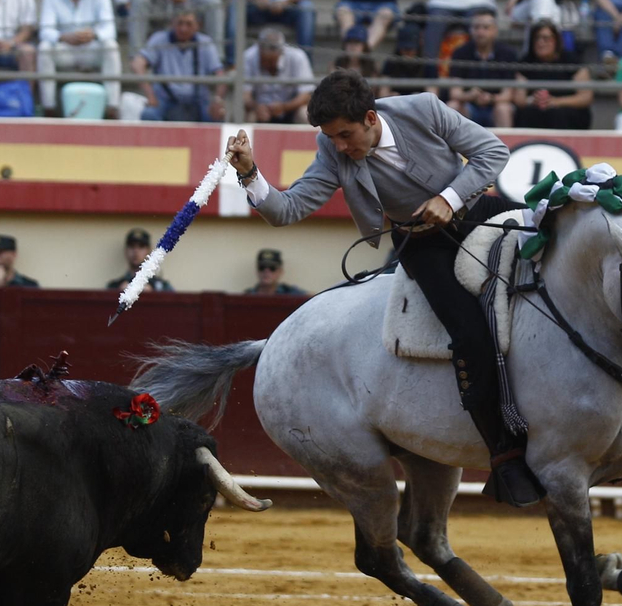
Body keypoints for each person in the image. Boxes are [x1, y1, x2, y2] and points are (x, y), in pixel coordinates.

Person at [224, 69, 540, 505]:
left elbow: (493, 151)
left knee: (552, 248)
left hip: (476, 214)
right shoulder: (331, 150)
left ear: (371, 118)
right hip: (423, 245)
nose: (339, 146)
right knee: (469, 334)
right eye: (331, 137)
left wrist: (448, 199)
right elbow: (287, 209)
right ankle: (506, 456)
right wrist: (249, 173)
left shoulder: (423, 109)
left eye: (345, 134)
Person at [39, 0, 121, 117]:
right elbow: (45, 31)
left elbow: (110, 29)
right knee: (44, 48)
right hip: (66, 50)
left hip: (91, 49)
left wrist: (93, 35)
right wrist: (64, 37)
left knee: (111, 46)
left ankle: (112, 106)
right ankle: (49, 107)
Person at [132, 7, 223, 122]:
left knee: (217, 116)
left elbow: (220, 73)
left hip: (198, 100)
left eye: (189, 24)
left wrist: (217, 100)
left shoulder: (206, 43)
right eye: (180, 23)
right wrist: (150, 95)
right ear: (172, 24)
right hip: (165, 100)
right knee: (149, 115)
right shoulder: (159, 39)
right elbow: (137, 64)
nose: (183, 29)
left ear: (197, 26)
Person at [511, 19, 591, 129]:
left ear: (556, 40)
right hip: (535, 109)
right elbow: (519, 99)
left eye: (546, 38)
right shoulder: (525, 63)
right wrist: (532, 100)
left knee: (558, 114)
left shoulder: (572, 62)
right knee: (526, 113)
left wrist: (556, 101)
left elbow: (585, 97)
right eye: (536, 38)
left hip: (566, 110)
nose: (541, 42)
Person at [447, 10, 517, 127]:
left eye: (485, 28)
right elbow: (454, 93)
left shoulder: (508, 54)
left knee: (503, 108)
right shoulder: (460, 53)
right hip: (469, 105)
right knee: (453, 106)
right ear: (471, 30)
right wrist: (470, 96)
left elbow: (508, 95)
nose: (480, 32)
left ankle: (504, 140)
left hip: (495, 106)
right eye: (476, 27)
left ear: (495, 30)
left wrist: (491, 98)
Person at [243, 26, 315, 123]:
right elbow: (244, 95)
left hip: (291, 109)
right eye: (264, 60)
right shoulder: (248, 56)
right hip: (259, 109)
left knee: (305, 114)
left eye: (272, 61)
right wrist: (256, 107)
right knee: (245, 115)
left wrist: (284, 107)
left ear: (281, 52)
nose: (268, 65)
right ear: (259, 51)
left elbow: (306, 94)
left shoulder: (297, 57)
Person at [106, 227, 173, 292]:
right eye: (132, 246)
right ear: (126, 250)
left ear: (149, 250)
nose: (136, 251)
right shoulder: (114, 287)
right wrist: (118, 293)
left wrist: (153, 294)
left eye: (141, 246)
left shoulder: (162, 287)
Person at [243, 249, 308, 296]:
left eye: (272, 268)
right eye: (262, 267)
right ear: (257, 270)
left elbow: (311, 301)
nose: (266, 271)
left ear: (280, 271)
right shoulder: (248, 296)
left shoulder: (291, 294)